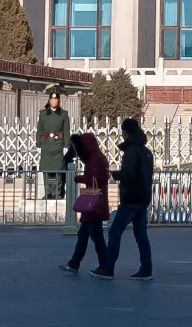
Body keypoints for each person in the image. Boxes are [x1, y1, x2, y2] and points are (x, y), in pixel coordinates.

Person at [97, 118, 155, 280]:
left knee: (115, 231)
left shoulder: (131, 151)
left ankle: (108, 268)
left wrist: (115, 174)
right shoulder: (146, 152)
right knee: (141, 235)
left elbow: (129, 174)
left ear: (125, 133)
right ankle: (146, 268)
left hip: (130, 198)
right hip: (143, 198)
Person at [62, 130, 110, 274]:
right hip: (94, 202)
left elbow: (95, 180)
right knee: (84, 236)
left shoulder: (95, 160)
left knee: (96, 237)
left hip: (94, 204)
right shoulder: (97, 158)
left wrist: (79, 178)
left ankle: (105, 266)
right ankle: (74, 263)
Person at [36, 93, 71, 202]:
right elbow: (39, 130)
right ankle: (48, 192)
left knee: (57, 169)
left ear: (58, 101)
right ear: (49, 100)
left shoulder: (64, 114)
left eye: (56, 99)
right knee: (46, 169)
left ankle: (57, 193)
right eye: (52, 99)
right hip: (46, 145)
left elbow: (66, 131)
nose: (54, 101)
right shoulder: (43, 114)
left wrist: (66, 145)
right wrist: (38, 144)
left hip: (58, 145)